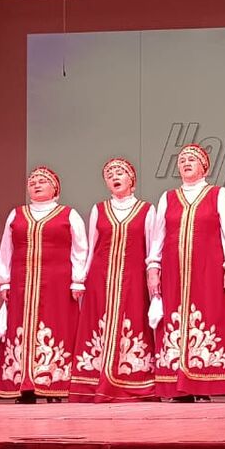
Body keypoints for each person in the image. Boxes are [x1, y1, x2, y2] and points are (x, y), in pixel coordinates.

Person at [145, 144, 225, 400]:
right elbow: (159, 236)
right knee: (173, 320)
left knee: (211, 315)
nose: (186, 163)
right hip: (173, 271)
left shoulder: (218, 194)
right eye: (182, 160)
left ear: (204, 167)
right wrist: (153, 268)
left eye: (192, 159)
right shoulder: (168, 198)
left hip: (209, 269)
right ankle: (177, 386)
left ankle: (203, 384)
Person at [0, 165, 88, 400]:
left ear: (55, 189)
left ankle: (54, 384)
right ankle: (24, 385)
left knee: (57, 325)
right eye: (32, 182)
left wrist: (77, 280)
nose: (36, 185)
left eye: (42, 181)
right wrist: (4, 281)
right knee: (21, 326)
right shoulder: (17, 214)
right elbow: (6, 249)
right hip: (21, 281)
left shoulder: (68, 214)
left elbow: (80, 249)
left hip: (57, 281)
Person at [71, 157, 158, 402]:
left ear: (132, 180)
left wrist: (152, 275)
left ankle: (133, 381)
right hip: (100, 277)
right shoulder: (99, 210)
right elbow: (92, 246)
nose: (115, 177)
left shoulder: (146, 210)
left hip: (134, 277)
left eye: (120, 173)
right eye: (109, 175)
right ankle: (94, 381)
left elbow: (151, 247)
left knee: (134, 321)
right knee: (99, 323)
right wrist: (81, 278)